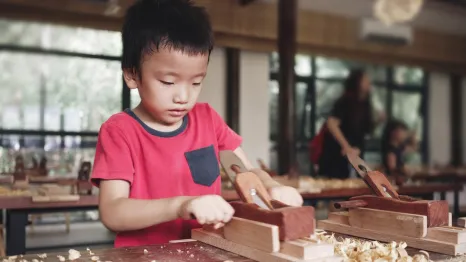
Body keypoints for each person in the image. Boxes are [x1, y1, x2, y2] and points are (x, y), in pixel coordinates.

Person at [90, 0, 303, 248]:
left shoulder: (207, 119)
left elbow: (246, 172)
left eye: (196, 82)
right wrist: (181, 206)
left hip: (206, 250)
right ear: (132, 75)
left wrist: (272, 186)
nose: (183, 96)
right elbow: (113, 212)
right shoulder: (120, 131)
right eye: (168, 82)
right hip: (143, 255)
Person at [318, 69, 382, 179]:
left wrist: (378, 121)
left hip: (355, 153)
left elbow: (364, 130)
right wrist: (347, 147)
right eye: (365, 79)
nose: (368, 82)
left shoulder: (365, 104)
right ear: (357, 82)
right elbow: (331, 124)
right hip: (337, 154)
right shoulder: (345, 101)